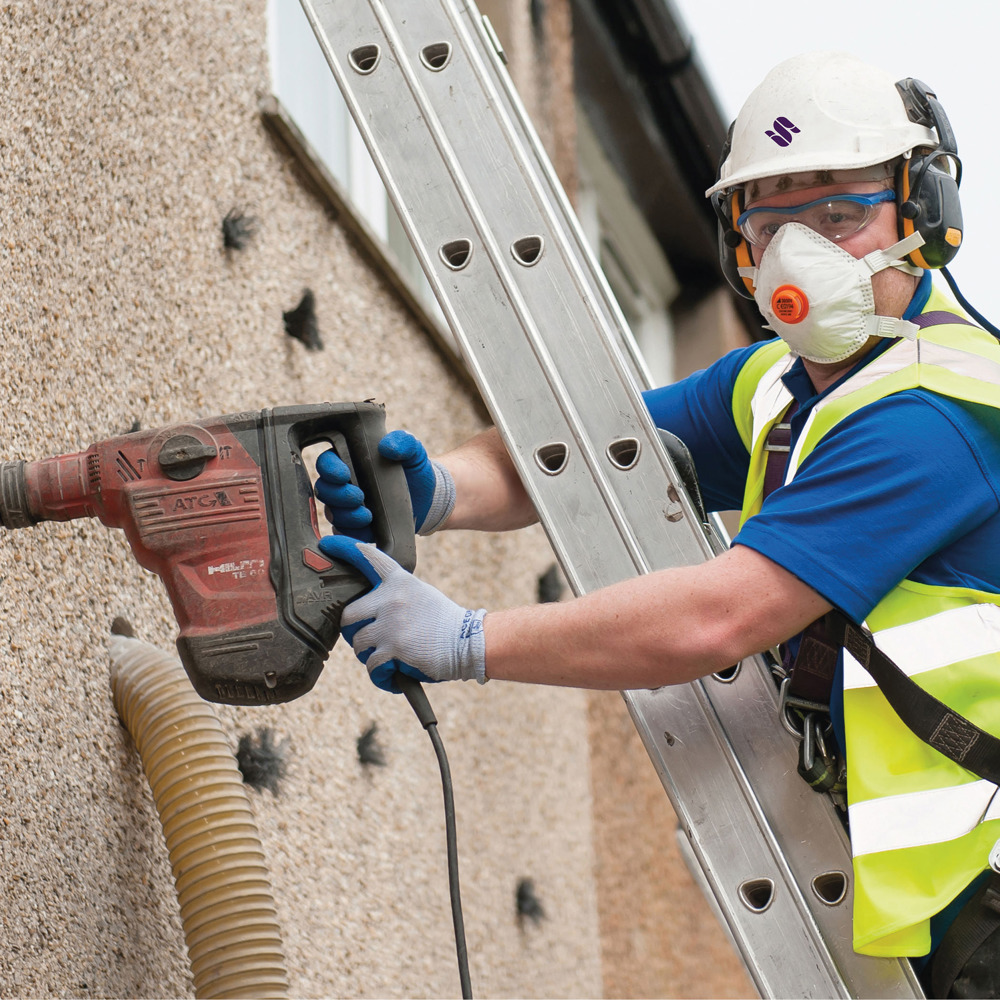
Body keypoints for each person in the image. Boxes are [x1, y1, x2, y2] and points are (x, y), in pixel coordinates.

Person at [315, 52, 1000, 997]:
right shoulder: (777, 386)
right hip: (911, 889)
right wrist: (440, 490)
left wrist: (469, 639)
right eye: (771, 219)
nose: (802, 249)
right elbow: (583, 452)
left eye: (841, 214)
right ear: (740, 245)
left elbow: (719, 618)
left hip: (980, 884)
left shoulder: (941, 412)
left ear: (922, 213)